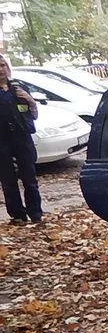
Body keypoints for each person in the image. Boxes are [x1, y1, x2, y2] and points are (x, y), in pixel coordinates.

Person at [0, 55, 42, 225]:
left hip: (22, 137)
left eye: (2, 65)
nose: (1, 70)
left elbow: (33, 114)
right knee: (8, 179)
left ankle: (35, 213)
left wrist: (30, 100)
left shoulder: (18, 88)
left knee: (30, 178)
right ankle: (17, 215)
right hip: (2, 140)